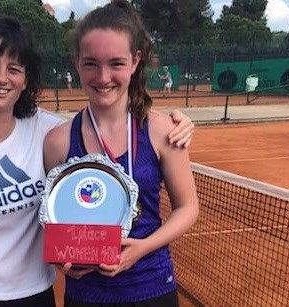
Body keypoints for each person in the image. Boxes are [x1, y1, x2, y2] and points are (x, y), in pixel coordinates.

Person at [0, 17, 194, 307]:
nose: (1, 78)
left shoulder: (46, 131)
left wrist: (181, 122)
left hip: (38, 294)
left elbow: (105, 120)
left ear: (25, 80)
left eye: (14, 69)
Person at [43, 1, 199, 306]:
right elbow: (53, 219)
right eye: (90, 63)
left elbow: (188, 208)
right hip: (86, 295)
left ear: (135, 60)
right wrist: (60, 260)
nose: (103, 77)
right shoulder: (57, 142)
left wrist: (141, 248)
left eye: (116, 63)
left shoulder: (162, 130)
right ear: (76, 61)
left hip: (152, 286)